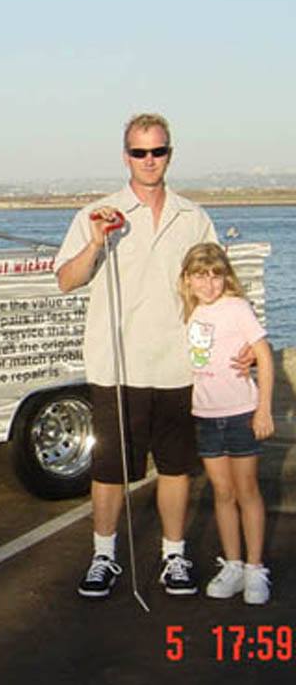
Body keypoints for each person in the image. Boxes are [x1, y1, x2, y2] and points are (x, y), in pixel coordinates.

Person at [55, 113, 217, 598]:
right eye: (140, 152)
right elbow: (66, 279)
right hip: (117, 366)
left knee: (175, 468)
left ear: (170, 154)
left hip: (176, 365)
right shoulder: (99, 213)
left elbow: (213, 289)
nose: (150, 161)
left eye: (158, 151)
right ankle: (104, 557)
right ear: (126, 156)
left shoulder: (193, 217)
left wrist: (231, 349)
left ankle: (175, 556)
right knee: (110, 471)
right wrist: (97, 242)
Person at [179, 242, 274, 604]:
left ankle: (254, 568)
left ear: (226, 277)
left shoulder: (236, 307)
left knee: (247, 489)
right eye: (200, 276)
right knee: (222, 492)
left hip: (240, 413)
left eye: (216, 276)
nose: (209, 284)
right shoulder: (187, 313)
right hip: (205, 416)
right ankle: (232, 565)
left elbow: (263, 356)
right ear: (187, 281)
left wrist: (262, 410)